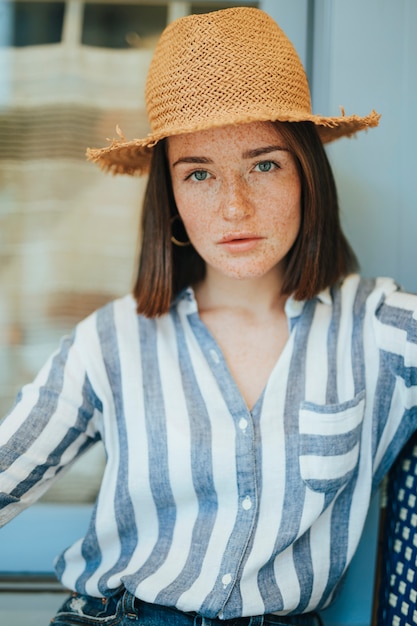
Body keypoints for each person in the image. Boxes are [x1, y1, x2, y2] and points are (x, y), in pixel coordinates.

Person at [0, 6, 415, 626]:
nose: (233, 207)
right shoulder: (111, 341)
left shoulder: (382, 328)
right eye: (198, 173)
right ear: (169, 196)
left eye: (264, 164)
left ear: (308, 175)